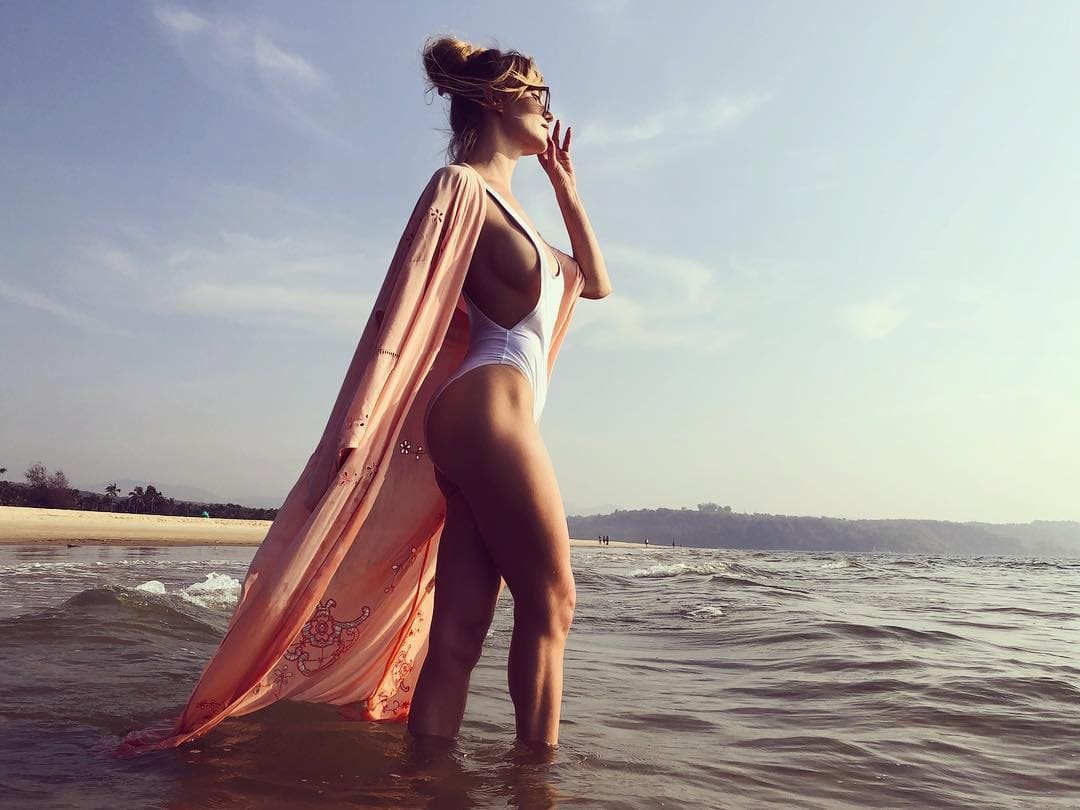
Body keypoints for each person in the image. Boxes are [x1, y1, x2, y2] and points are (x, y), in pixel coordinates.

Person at [407, 37, 611, 750]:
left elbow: (595, 281)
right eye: (539, 93)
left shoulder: (519, 212)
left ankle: (423, 779)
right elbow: (403, 303)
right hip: (490, 407)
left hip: (483, 418)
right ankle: (537, 782)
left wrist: (566, 189)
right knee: (553, 603)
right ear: (498, 100)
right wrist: (363, 418)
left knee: (461, 630)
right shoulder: (461, 187)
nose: (550, 110)